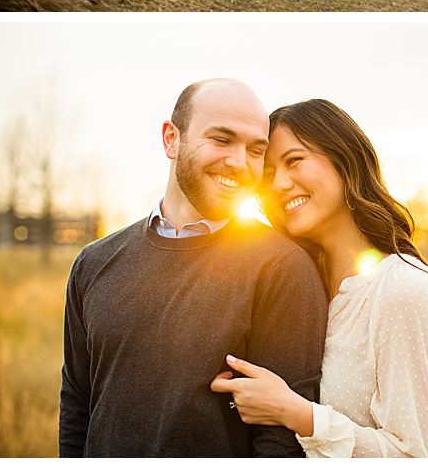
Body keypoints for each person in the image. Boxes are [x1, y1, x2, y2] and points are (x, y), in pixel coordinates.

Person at [60, 78, 326, 456]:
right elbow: (77, 402)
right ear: (171, 139)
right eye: (221, 139)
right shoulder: (93, 263)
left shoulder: (282, 269)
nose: (239, 162)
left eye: (255, 150)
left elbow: (282, 441)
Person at [212, 100, 428, 457]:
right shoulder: (292, 286)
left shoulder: (404, 290)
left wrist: (293, 411)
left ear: (345, 160)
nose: (280, 184)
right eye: (267, 176)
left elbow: (414, 456)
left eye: (294, 161)